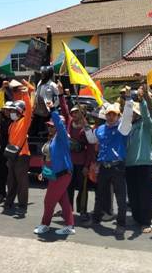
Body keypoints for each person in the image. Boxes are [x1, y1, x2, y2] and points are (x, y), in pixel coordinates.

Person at [84, 89, 133, 237]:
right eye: (109, 114)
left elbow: (128, 117)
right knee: (100, 195)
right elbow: (92, 140)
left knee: (120, 197)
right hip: (104, 167)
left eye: (114, 114)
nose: (111, 117)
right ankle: (96, 219)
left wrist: (129, 99)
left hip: (117, 166)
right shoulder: (100, 129)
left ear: (118, 116)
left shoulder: (122, 128)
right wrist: (86, 126)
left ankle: (121, 224)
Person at [58, 83, 95, 221]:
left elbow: (90, 148)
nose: (74, 114)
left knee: (82, 188)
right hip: (69, 162)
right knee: (68, 187)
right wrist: (61, 94)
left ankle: (83, 210)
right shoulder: (68, 122)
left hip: (81, 163)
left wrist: (87, 166)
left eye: (77, 112)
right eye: (73, 112)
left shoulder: (87, 128)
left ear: (83, 113)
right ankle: (67, 209)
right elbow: (63, 108)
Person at [34, 110, 75, 235]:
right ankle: (69, 225)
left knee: (49, 201)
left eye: (52, 126)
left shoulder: (62, 136)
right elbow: (47, 158)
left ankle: (45, 224)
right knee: (63, 201)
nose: (50, 128)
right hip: (55, 174)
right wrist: (43, 171)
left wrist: (53, 111)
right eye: (49, 126)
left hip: (62, 173)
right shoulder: (51, 139)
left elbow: (59, 124)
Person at [125, 84, 152, 233]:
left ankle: (146, 222)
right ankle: (137, 219)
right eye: (132, 113)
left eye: (136, 113)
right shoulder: (128, 127)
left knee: (145, 195)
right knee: (133, 194)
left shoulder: (147, 125)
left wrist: (142, 101)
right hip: (130, 165)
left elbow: (148, 114)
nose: (134, 115)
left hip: (144, 164)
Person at [4, 86, 33, 214]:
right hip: (12, 155)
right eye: (11, 111)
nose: (11, 112)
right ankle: (9, 202)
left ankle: (22, 206)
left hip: (22, 155)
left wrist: (26, 95)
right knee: (11, 180)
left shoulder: (24, 121)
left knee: (22, 182)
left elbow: (30, 110)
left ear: (20, 111)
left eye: (13, 110)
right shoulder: (12, 124)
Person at [0, 101, 13, 204]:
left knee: (11, 176)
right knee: (1, 174)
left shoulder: (14, 121)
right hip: (2, 151)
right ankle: (1, 194)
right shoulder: (3, 119)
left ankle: (10, 197)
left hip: (11, 152)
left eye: (8, 110)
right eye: (5, 109)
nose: (6, 111)